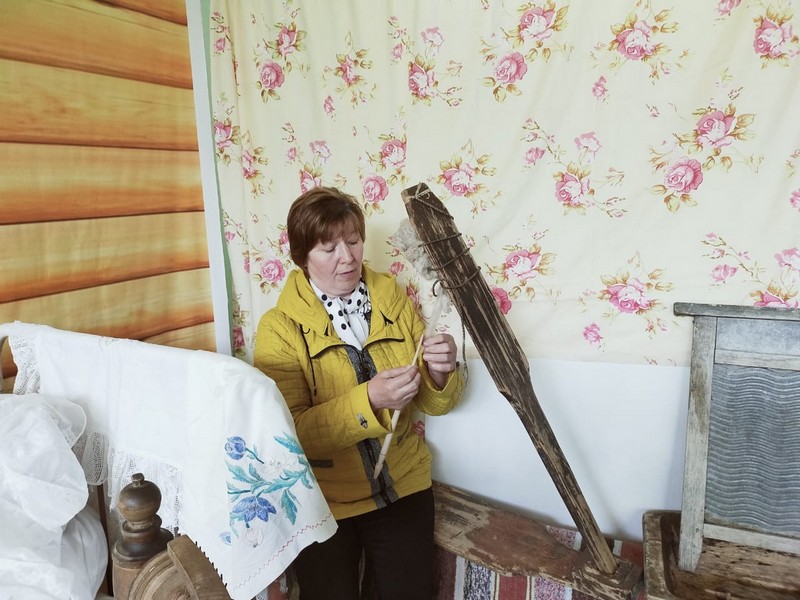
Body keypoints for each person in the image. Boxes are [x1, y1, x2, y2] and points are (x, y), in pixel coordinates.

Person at [254, 186, 463, 599]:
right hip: (323, 502)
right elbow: (289, 433)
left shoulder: (391, 298)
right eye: (328, 248)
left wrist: (440, 373)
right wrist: (369, 401)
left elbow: (431, 401)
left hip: (404, 488)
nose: (347, 257)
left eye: (353, 241)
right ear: (302, 257)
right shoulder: (279, 329)